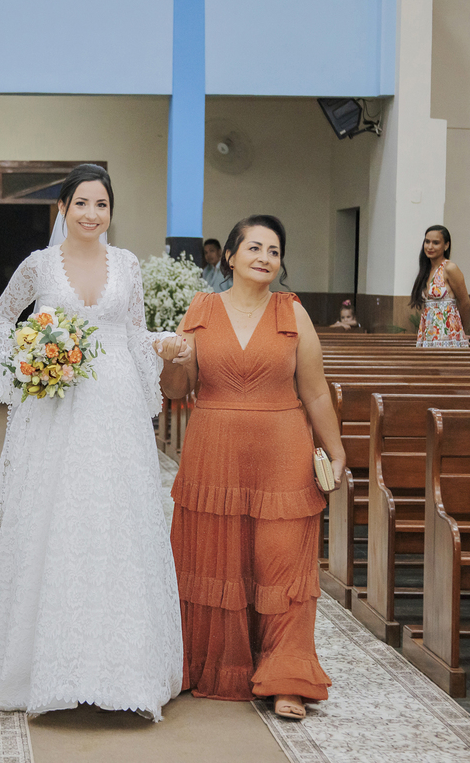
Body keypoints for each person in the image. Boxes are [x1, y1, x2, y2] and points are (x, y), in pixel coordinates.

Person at [0, 164, 189, 721]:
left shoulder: (127, 264)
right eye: (81, 203)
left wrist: (162, 350)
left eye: (101, 204)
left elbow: (131, 330)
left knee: (115, 520)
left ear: (111, 211)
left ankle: (123, 668)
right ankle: (43, 664)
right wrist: (28, 366)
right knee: (54, 517)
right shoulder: (38, 266)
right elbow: (3, 316)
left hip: (115, 405)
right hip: (55, 404)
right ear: (63, 208)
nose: (91, 214)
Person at [159, 215, 346, 720]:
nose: (265, 257)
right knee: (217, 562)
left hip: (283, 451)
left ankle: (287, 677)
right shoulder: (202, 308)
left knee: (281, 565)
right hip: (214, 451)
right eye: (255, 247)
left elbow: (314, 388)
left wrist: (336, 447)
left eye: (274, 251)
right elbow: (177, 390)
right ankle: (215, 668)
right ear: (232, 256)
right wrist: (172, 360)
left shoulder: (293, 312)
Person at [409, 225, 470, 348]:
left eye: (435, 243)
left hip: (447, 334)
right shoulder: (426, 270)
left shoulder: (449, 268)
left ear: (446, 245)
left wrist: (460, 331)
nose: (430, 247)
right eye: (427, 242)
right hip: (429, 333)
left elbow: (466, 303)